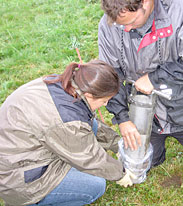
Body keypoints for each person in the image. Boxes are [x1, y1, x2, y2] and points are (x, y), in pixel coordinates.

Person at [98, 0, 183, 171]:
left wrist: (154, 79)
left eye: (131, 22)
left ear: (146, 2)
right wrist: (123, 119)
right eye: (121, 25)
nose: (127, 29)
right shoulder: (110, 23)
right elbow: (110, 76)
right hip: (144, 113)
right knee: (142, 165)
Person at [0, 60, 134, 206]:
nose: (106, 104)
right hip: (20, 180)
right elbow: (89, 159)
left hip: (20, 153)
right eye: (104, 100)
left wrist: (116, 144)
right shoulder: (67, 122)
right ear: (89, 94)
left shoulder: (66, 84)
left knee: (92, 127)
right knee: (95, 186)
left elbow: (87, 122)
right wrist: (120, 174)